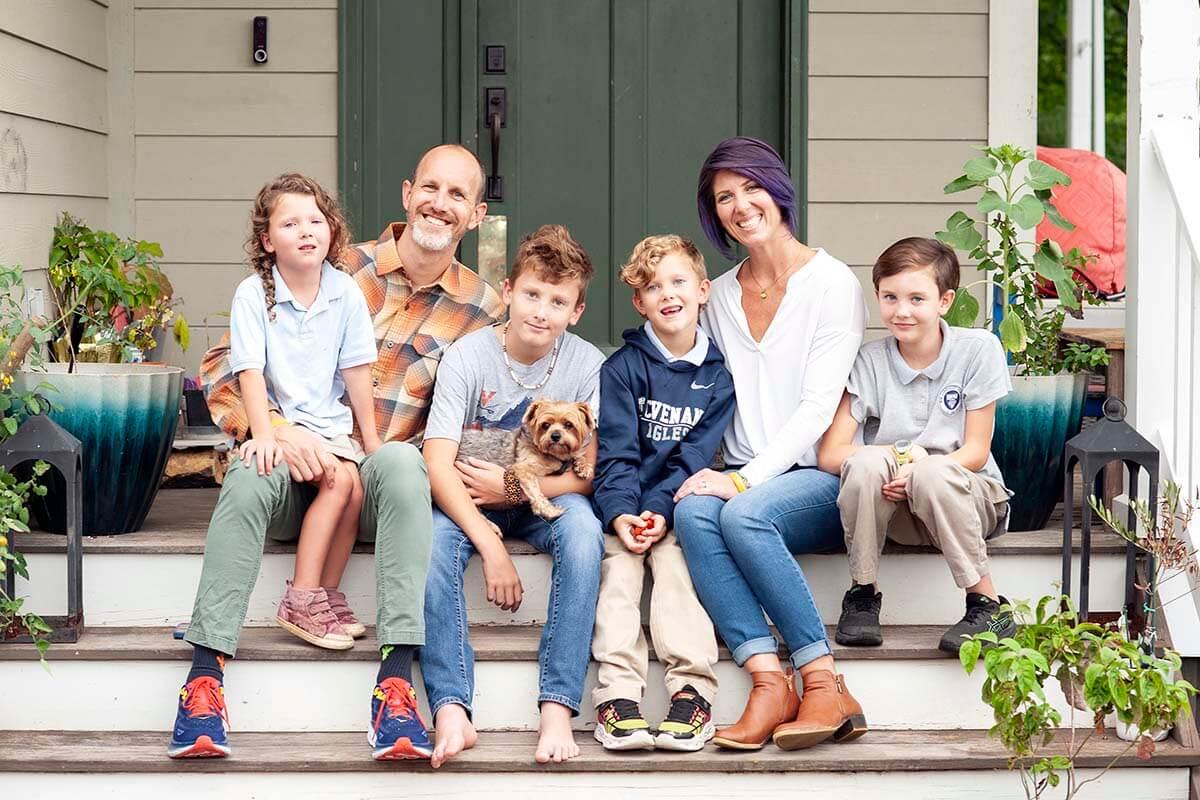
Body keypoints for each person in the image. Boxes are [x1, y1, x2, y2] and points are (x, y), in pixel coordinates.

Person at [167, 144, 504, 761]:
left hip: (377, 483)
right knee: (247, 473)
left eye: (458, 195)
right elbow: (221, 368)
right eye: (430, 187)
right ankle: (203, 680)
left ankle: (397, 683)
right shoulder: (330, 260)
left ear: (476, 213)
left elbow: (490, 414)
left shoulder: (485, 312)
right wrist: (272, 428)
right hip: (288, 467)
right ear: (407, 194)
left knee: (400, 462)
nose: (440, 204)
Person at [672, 136, 868, 752]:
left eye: (751, 187)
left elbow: (817, 408)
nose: (740, 204)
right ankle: (766, 679)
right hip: (740, 473)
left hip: (814, 479)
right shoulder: (721, 295)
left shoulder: (832, 284)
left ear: (777, 190)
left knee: (746, 512)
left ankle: (822, 680)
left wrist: (744, 479)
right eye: (724, 197)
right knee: (693, 511)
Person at [421, 224, 605, 768]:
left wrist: (514, 490)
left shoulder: (586, 365)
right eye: (532, 294)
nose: (541, 310)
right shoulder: (468, 356)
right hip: (466, 497)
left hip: (544, 495)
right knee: (432, 544)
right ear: (508, 291)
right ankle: (451, 707)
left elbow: (594, 471)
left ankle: (557, 705)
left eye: (558, 301)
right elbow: (436, 460)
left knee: (583, 533)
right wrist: (492, 546)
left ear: (576, 311)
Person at [817, 236, 1016, 654]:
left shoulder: (977, 350)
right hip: (900, 513)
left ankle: (987, 604)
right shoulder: (869, 360)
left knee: (933, 470)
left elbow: (976, 452)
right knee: (866, 464)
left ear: (945, 301)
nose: (901, 310)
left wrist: (920, 466)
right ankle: (863, 595)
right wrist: (896, 459)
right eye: (890, 297)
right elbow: (832, 453)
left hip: (971, 500)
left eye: (916, 298)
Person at [590, 235, 733, 752]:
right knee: (619, 574)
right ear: (638, 301)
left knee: (676, 570)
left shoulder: (718, 379)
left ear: (702, 290)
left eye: (677, 283)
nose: (667, 295)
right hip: (622, 506)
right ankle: (618, 696)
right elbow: (617, 455)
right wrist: (624, 516)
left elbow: (693, 457)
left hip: (677, 501)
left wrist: (660, 513)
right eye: (653, 287)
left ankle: (692, 693)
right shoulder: (622, 370)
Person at [228, 173, 380, 652]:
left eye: (316, 220)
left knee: (353, 489)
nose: (307, 230)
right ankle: (300, 596)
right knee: (337, 483)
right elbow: (249, 372)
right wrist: (266, 434)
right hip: (285, 428)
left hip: (331, 429)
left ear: (332, 231)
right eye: (290, 223)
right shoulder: (253, 294)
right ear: (267, 240)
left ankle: (327, 595)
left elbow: (357, 373)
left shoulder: (344, 291)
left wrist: (371, 441)